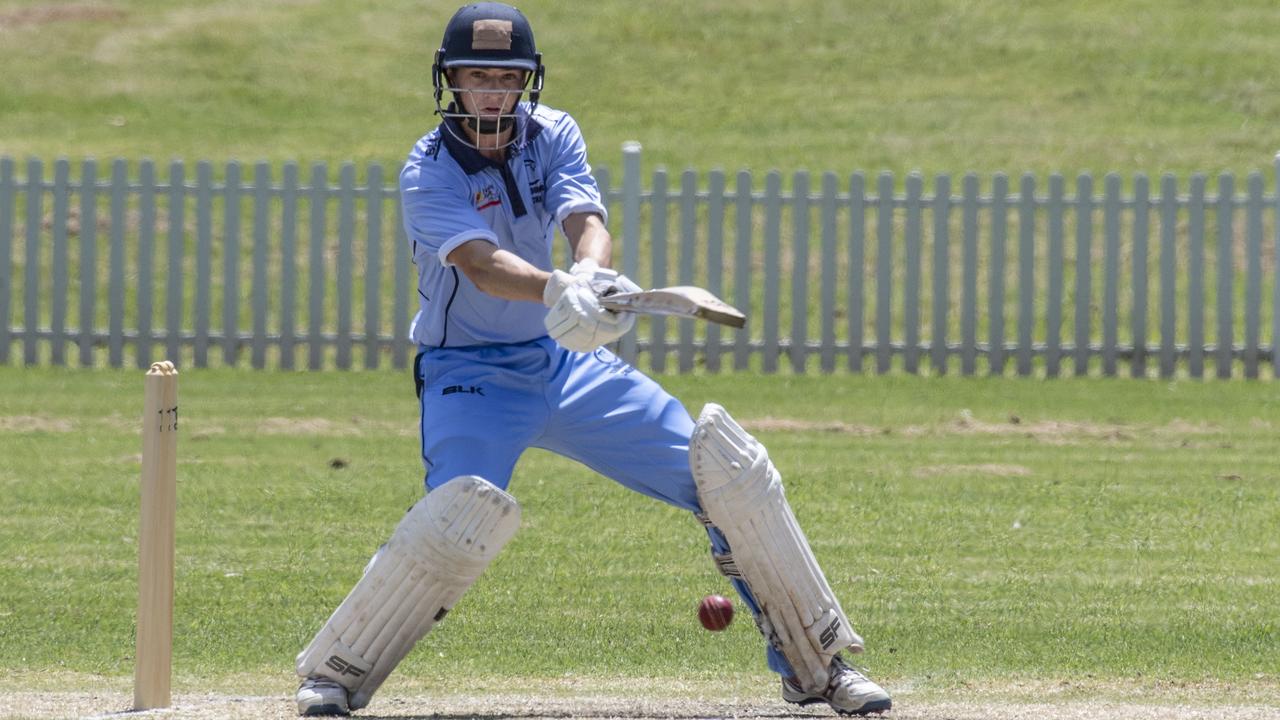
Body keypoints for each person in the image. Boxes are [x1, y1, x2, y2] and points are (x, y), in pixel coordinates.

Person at [293, 3, 892, 716]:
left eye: (505, 78)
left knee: (729, 476)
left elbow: (586, 219)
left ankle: (817, 668)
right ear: (449, 81)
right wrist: (558, 287)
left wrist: (591, 276)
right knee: (454, 520)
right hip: (471, 375)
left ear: (526, 83)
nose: (490, 92)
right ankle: (336, 673)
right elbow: (482, 267)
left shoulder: (555, 133)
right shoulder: (427, 171)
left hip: (562, 361)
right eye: (475, 76)